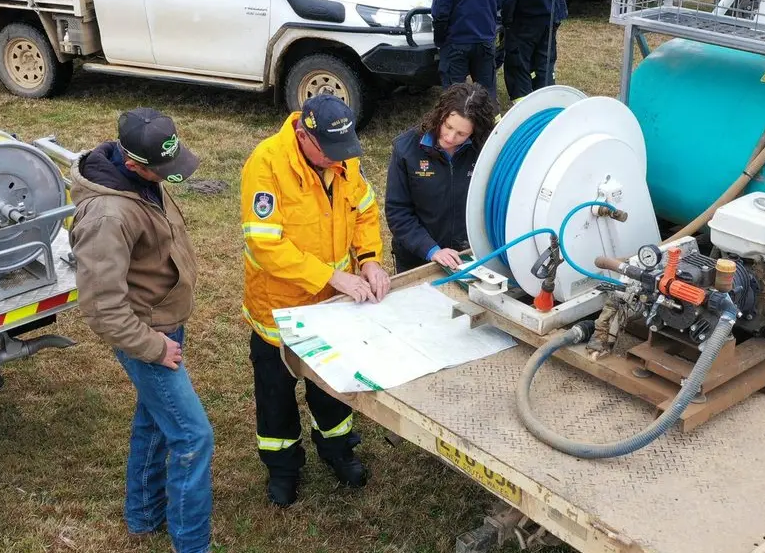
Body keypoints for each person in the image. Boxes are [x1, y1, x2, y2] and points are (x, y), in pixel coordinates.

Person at [69, 108, 213, 552]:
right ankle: (192, 545)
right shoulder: (107, 217)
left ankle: (144, 517)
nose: (171, 177)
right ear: (132, 165)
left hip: (164, 322)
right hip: (147, 334)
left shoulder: (147, 178)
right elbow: (102, 307)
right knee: (192, 436)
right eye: (162, 170)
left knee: (154, 420)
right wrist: (153, 347)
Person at [239, 94, 390, 507]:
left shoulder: (343, 157)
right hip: (279, 310)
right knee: (276, 395)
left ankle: (339, 452)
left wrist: (371, 260)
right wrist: (331, 276)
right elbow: (266, 245)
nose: (337, 160)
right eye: (328, 151)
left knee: (332, 388)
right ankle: (283, 469)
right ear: (303, 136)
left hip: (333, 307)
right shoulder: (266, 164)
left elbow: (364, 212)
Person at [385, 83, 499, 273]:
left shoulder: (484, 151)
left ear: (475, 132)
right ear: (441, 115)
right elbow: (398, 212)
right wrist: (431, 250)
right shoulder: (406, 149)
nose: (450, 137)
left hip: (469, 254)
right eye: (448, 126)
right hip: (418, 258)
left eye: (461, 134)